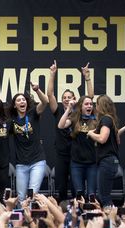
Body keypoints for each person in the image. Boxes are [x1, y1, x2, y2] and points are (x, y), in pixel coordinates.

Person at [47, 61, 94, 201]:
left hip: (76, 155)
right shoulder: (58, 111)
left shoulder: (78, 111)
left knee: (76, 188)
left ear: (74, 99)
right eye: (64, 98)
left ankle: (76, 215)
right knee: (61, 187)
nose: (67, 99)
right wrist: (52, 74)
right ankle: (60, 216)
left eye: (69, 97)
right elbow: (50, 94)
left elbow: (90, 97)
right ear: (62, 101)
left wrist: (87, 77)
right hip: (61, 154)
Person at [9, 83, 49, 201]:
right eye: (18, 100)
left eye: (23, 100)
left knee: (32, 194)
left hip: (37, 161)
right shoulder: (12, 120)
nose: (22, 102)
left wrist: (37, 90)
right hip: (21, 163)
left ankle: (31, 218)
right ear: (15, 105)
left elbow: (45, 101)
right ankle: (21, 219)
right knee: (21, 197)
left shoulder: (33, 114)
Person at [57, 96, 97, 197]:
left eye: (91, 104)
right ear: (81, 106)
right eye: (86, 104)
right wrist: (69, 109)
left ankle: (91, 212)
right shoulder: (75, 118)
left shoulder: (96, 119)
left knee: (91, 194)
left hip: (91, 163)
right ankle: (79, 212)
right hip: (77, 163)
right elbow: (61, 126)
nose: (89, 106)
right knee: (79, 194)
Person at [86, 95, 120, 206]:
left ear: (102, 106)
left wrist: (91, 134)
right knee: (104, 195)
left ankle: (111, 222)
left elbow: (102, 138)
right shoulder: (111, 120)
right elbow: (117, 140)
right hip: (111, 161)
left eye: (97, 104)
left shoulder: (106, 119)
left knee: (104, 197)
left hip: (107, 161)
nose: (95, 106)